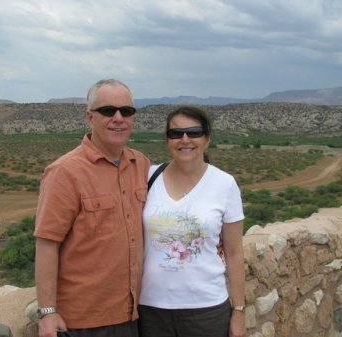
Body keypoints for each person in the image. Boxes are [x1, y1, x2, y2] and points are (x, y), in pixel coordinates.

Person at [34, 79, 150, 337]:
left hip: (133, 313)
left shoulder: (140, 164)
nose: (118, 118)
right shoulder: (65, 172)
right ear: (90, 117)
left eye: (127, 111)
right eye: (108, 111)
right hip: (83, 321)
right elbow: (46, 243)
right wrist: (48, 311)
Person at [138, 106, 246, 337]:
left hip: (206, 309)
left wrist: (238, 310)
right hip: (150, 308)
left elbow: (235, 252)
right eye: (176, 133)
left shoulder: (224, 184)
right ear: (167, 140)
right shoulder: (148, 177)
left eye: (194, 132)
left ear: (207, 138)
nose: (184, 139)